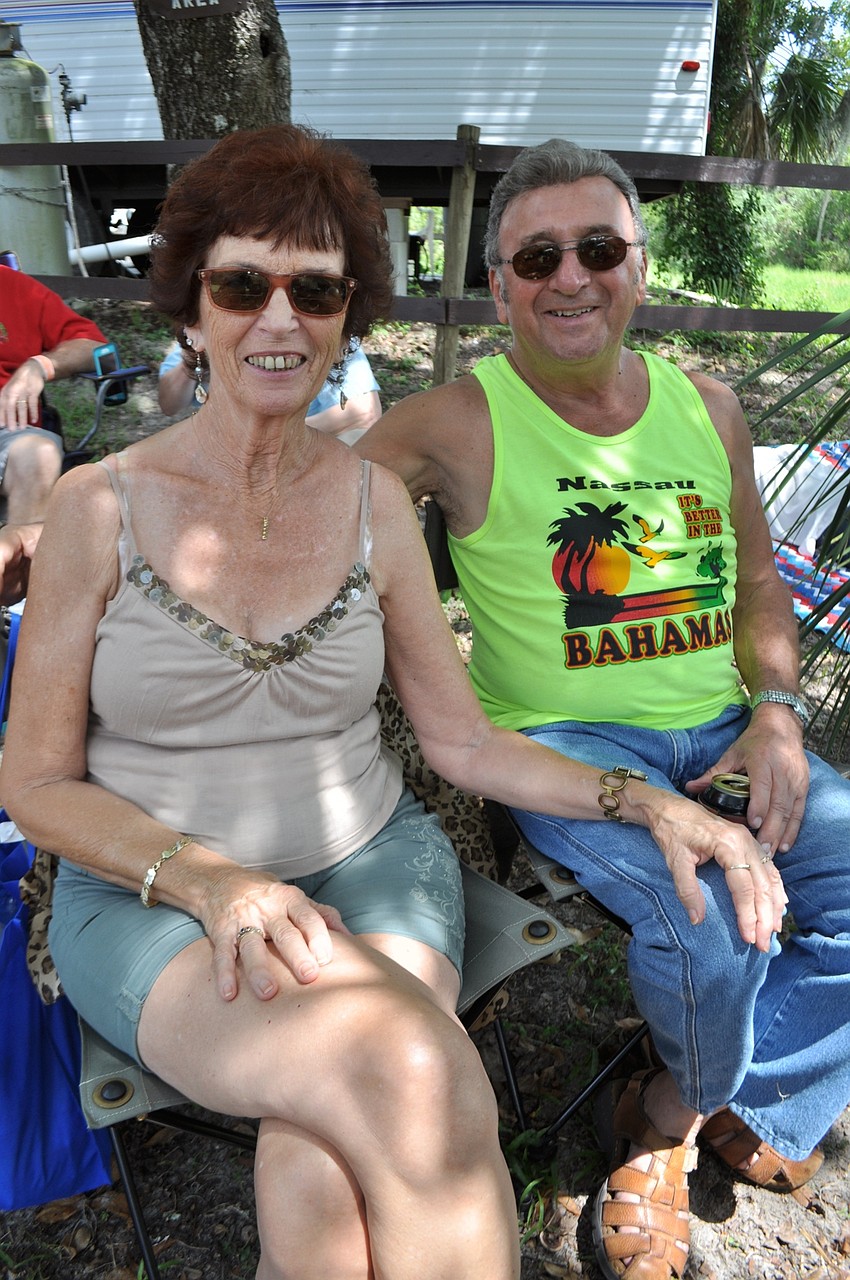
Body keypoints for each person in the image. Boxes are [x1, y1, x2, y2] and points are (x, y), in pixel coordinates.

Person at [0, 125, 781, 1280]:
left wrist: (648, 803)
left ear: (347, 313)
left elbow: (461, 736)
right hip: (154, 888)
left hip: (373, 862)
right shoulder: (97, 507)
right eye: (240, 283)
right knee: (412, 1073)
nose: (278, 318)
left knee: (335, 1141)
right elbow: (34, 784)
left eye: (314, 289)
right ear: (190, 307)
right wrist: (215, 881)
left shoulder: (369, 503)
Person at [357, 138, 850, 1280]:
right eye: (537, 255)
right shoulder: (452, 423)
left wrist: (775, 711)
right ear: (499, 285)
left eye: (597, 248)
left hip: (726, 731)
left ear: (638, 265)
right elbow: (293, 498)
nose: (568, 275)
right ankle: (672, 1135)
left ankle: (681, 1087)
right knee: (711, 917)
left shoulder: (707, 406)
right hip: (564, 750)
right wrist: (96, 515)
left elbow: (762, 584)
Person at [0, 264, 106, 525]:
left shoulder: (11, 286)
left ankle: (24, 563)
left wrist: (41, 365)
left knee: (39, 455)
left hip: (8, 430)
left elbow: (93, 346)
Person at [158, 333, 382, 444]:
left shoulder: (333, 339)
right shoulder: (201, 340)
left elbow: (365, 412)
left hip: (307, 452)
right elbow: (168, 404)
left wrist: (269, 438)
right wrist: (193, 357)